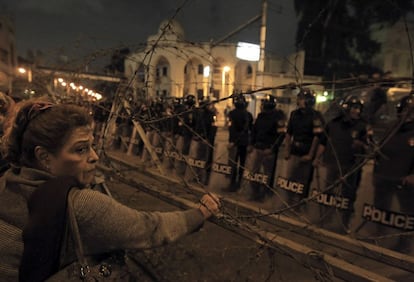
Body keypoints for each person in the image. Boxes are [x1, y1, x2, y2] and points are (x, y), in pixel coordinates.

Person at [0, 98, 221, 281]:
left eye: (92, 146)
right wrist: (200, 213)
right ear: (44, 157)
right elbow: (150, 229)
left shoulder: (7, 182)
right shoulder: (78, 203)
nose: (94, 157)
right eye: (80, 149)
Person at [313, 95, 371, 233]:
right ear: (346, 108)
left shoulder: (363, 126)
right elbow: (323, 142)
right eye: (354, 107)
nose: (356, 111)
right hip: (331, 164)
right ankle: (325, 219)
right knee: (328, 193)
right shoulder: (333, 124)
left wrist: (361, 145)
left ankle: (343, 224)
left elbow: (370, 148)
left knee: (347, 196)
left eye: (359, 108)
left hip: (351, 168)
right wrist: (316, 158)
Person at [370, 94, 414, 253]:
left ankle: (404, 243)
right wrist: (376, 171)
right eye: (404, 111)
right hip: (385, 175)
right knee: (380, 209)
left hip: (405, 179)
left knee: (406, 214)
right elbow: (380, 150)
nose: (407, 114)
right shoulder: (392, 127)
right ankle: (378, 235)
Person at [283, 89, 324, 209]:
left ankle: (300, 204)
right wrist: (287, 150)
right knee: (290, 179)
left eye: (301, 98)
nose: (298, 100)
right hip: (294, 152)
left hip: (307, 153)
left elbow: (317, 137)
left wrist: (311, 155)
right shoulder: (294, 114)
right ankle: (288, 203)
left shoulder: (316, 116)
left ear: (308, 101)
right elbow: (288, 133)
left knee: (303, 181)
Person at [244, 95, 286, 202]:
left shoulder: (278, 116)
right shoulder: (261, 116)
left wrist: (272, 148)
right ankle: (255, 194)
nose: (262, 106)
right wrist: (251, 144)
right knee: (253, 173)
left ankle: (265, 195)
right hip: (258, 148)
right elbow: (254, 131)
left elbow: (281, 135)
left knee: (267, 175)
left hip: (268, 150)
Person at [224, 94, 253, 192]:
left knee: (234, 164)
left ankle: (233, 184)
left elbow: (233, 129)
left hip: (236, 144)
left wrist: (233, 142)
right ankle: (238, 184)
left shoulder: (232, 114)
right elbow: (248, 130)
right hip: (243, 143)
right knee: (241, 165)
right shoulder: (248, 114)